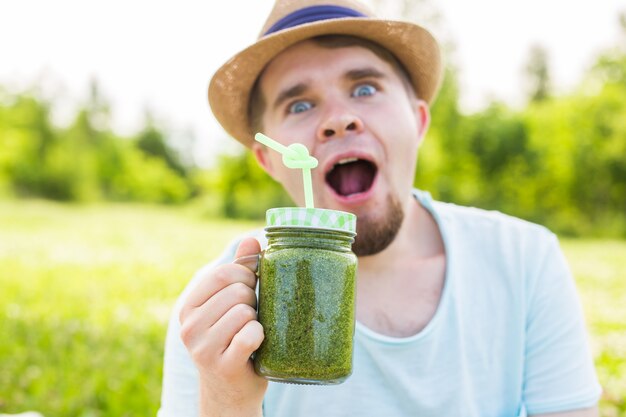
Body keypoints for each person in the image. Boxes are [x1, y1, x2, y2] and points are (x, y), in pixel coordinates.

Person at [158, 0, 602, 416]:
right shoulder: (219, 308)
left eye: (365, 87)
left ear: (419, 121)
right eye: (299, 103)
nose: (338, 119)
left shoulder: (524, 260)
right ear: (269, 159)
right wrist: (225, 398)